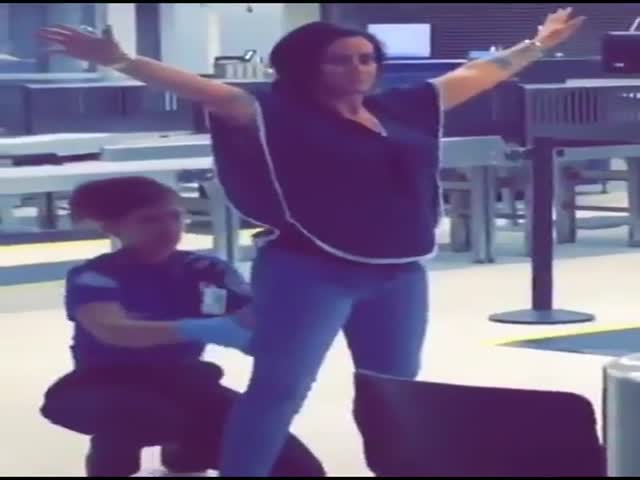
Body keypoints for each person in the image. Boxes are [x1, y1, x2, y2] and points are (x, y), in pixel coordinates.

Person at [38, 8, 585, 476]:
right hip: (308, 270)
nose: (358, 69)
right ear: (306, 67)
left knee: (394, 389)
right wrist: (122, 60)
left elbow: (477, 74)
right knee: (279, 390)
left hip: (398, 273)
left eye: (366, 59)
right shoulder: (273, 113)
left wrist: (537, 44)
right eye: (340, 61)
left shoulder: (403, 108)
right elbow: (203, 90)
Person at [39, 176, 325, 477]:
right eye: (149, 220)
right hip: (107, 384)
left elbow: (256, 316)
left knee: (298, 469)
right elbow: (112, 329)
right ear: (113, 227)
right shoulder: (95, 275)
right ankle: (113, 457)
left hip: (185, 382)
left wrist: (284, 290)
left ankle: (186, 453)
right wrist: (203, 329)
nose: (168, 228)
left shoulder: (207, 270)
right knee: (141, 416)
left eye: (175, 216)